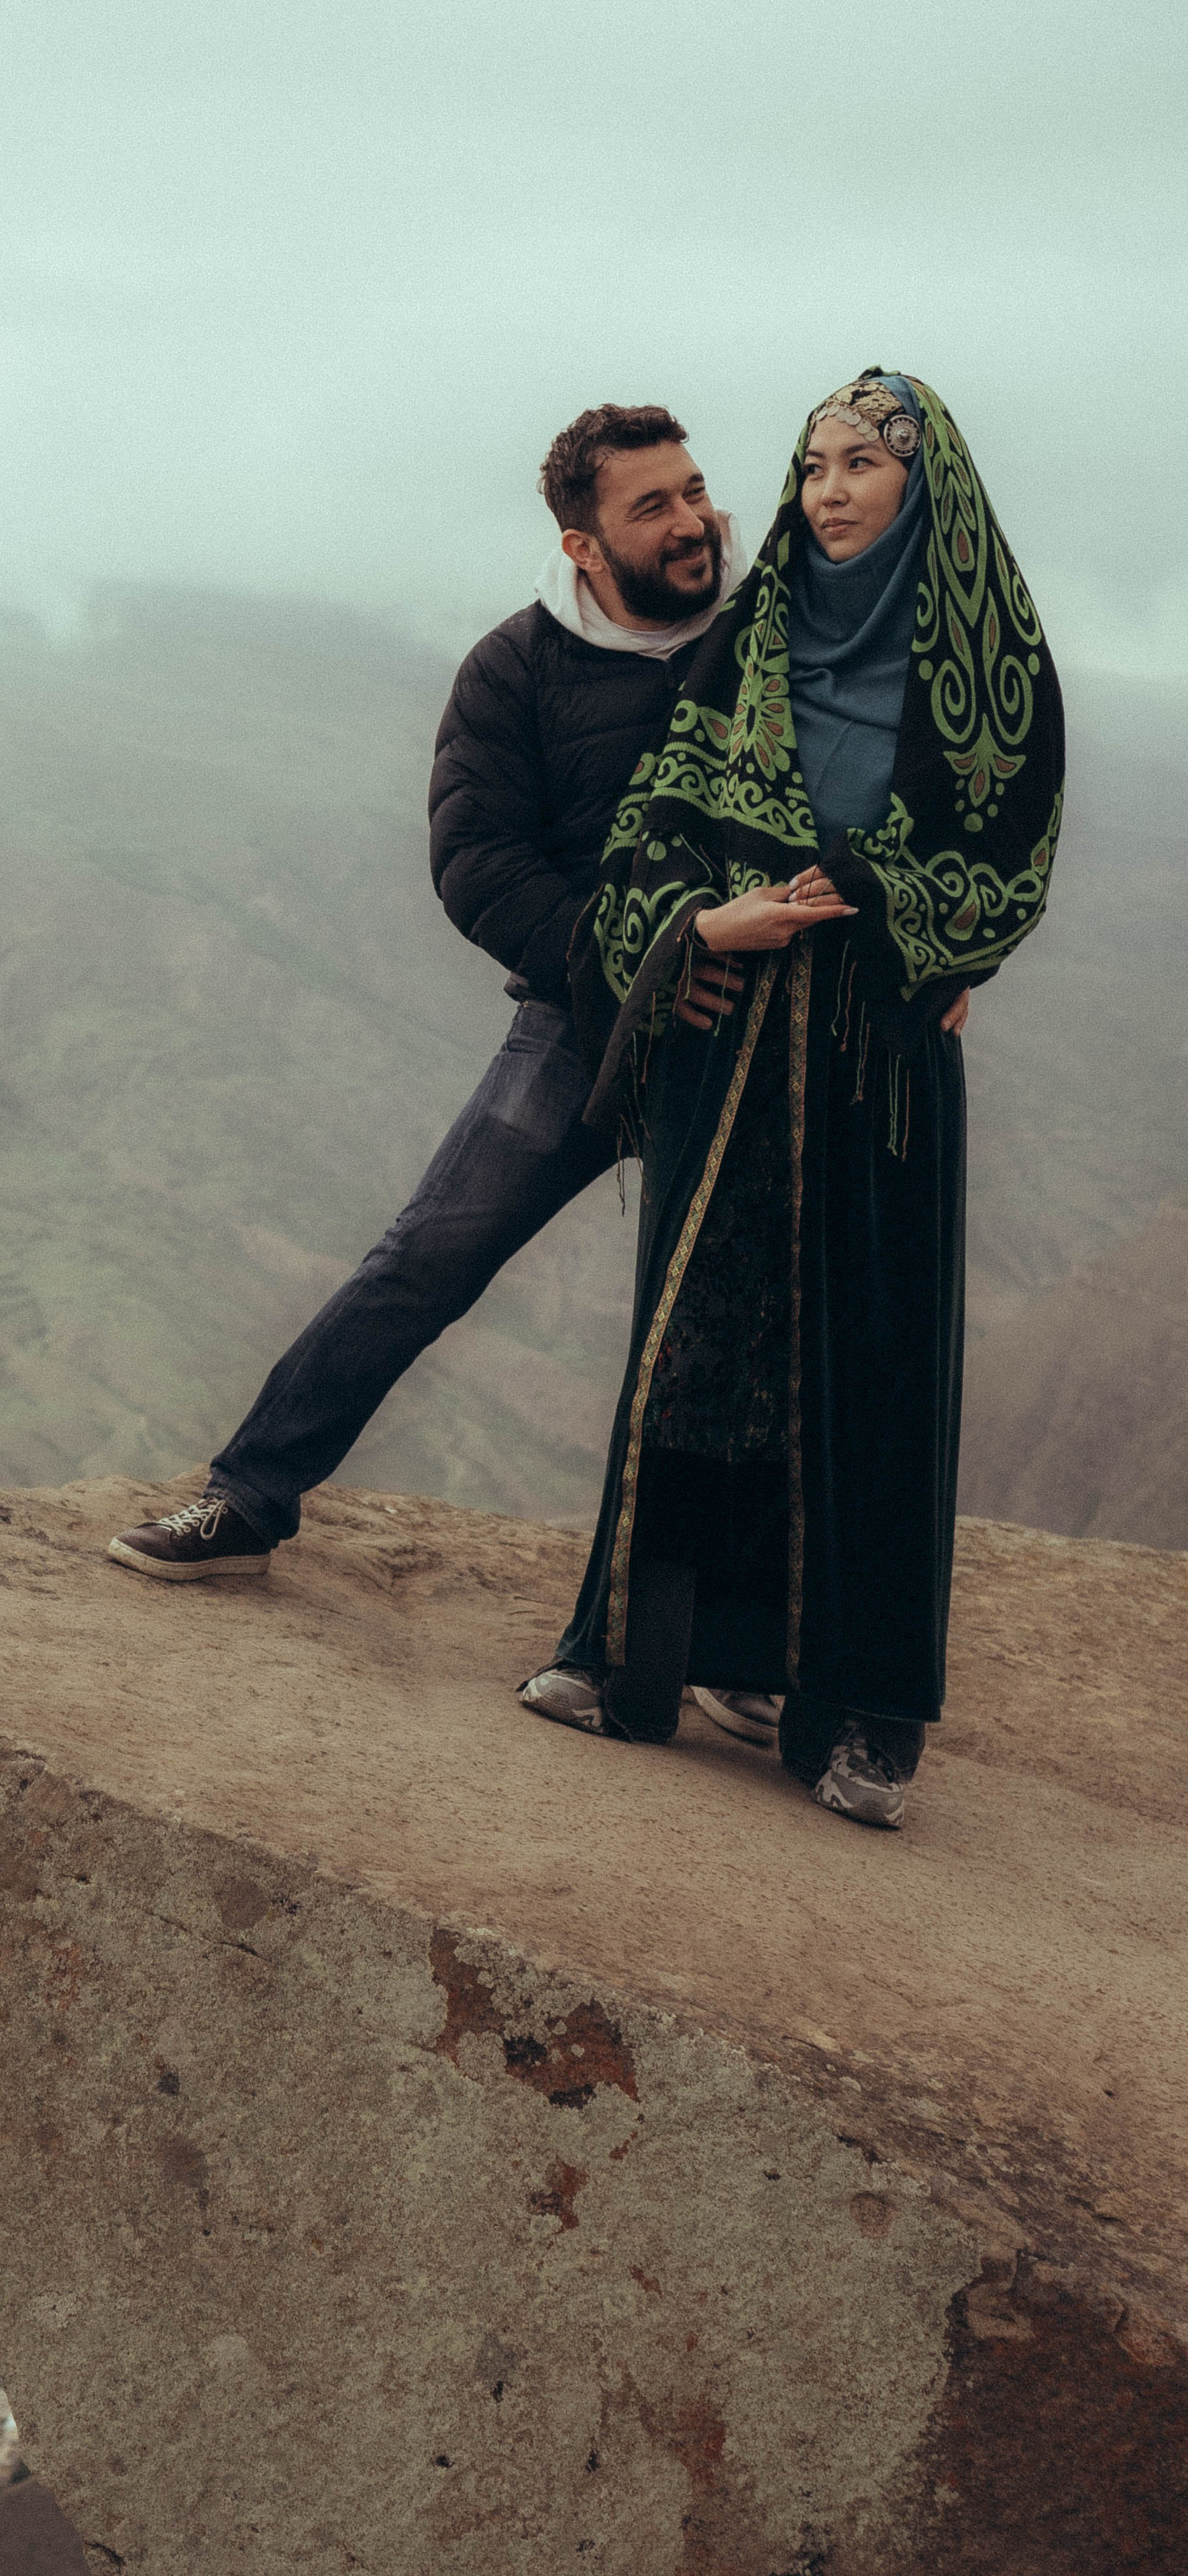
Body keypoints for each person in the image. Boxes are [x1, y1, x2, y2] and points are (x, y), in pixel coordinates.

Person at [527, 369, 1065, 1827]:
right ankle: (636, 1659)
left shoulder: (990, 660)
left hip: (877, 1068)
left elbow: (1007, 858)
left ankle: (861, 1722)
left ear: (921, 488)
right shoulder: (750, 642)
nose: (826, 492)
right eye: (811, 465)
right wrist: (704, 924)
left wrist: (904, 919)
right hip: (731, 1039)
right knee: (697, 1346)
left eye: (861, 466)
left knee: (867, 1378)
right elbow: (654, 827)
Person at [107, 402, 747, 1585]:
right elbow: (479, 864)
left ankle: (733, 1635)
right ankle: (245, 1502)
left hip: (761, 1036)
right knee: (427, 1258)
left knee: (750, 1331)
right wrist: (643, 969)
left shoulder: (776, 641)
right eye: (651, 506)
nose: (693, 521)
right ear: (583, 545)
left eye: (695, 490)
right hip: (585, 1027)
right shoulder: (517, 668)